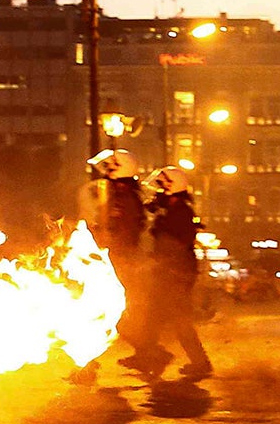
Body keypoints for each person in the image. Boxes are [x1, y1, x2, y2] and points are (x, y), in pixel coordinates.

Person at [129, 166, 213, 381]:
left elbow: (176, 244)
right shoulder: (172, 208)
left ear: (170, 187)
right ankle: (149, 355)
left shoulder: (180, 211)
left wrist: (158, 261)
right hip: (169, 272)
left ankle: (200, 363)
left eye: (161, 185)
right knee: (153, 316)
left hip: (177, 274)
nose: (157, 190)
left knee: (179, 320)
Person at [78, 148, 150, 371]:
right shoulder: (117, 196)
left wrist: (106, 248)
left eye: (109, 169)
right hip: (111, 260)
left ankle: (149, 353)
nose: (105, 173)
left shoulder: (124, 200)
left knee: (108, 312)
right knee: (97, 311)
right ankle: (86, 365)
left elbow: (123, 233)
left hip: (117, 261)